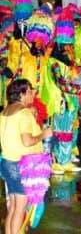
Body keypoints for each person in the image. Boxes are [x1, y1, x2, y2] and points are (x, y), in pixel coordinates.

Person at [0, 79, 52, 234]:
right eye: (30, 91)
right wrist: (44, 134)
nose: (33, 94)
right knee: (20, 208)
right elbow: (27, 141)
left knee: (14, 207)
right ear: (21, 94)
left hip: (8, 163)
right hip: (20, 165)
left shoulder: (5, 112)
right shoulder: (24, 113)